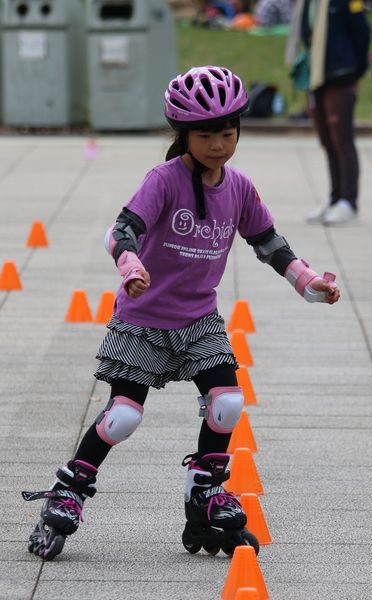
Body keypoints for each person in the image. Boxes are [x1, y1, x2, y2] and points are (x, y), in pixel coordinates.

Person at [22, 65, 340, 561]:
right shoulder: (163, 180)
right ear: (183, 135)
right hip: (143, 319)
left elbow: (269, 243)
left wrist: (309, 282)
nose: (218, 145)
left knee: (227, 402)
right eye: (206, 135)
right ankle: (69, 490)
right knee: (123, 416)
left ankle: (205, 492)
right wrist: (130, 264)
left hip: (198, 320)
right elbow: (121, 230)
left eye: (227, 133)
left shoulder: (239, 187)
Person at [301, 0, 371, 225]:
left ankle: (348, 201)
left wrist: (357, 71)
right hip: (316, 75)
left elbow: (362, 32)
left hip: (341, 75)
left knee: (342, 140)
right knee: (328, 141)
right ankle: (335, 198)